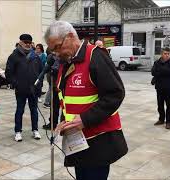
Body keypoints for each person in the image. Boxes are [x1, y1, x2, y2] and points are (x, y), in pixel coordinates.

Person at [45, 21, 128, 180]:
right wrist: (64, 122)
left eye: (57, 47)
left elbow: (115, 94)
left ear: (70, 37)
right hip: (77, 140)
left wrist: (84, 119)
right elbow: (67, 99)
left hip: (99, 141)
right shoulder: (66, 62)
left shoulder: (96, 56)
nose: (55, 53)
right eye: (52, 49)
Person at [5, 34, 43, 142]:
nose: (27, 44)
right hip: (21, 89)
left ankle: (35, 130)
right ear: (20, 42)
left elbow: (40, 73)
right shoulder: (14, 56)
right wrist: (16, 83)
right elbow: (9, 73)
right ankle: (18, 131)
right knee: (20, 110)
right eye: (25, 42)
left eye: (29, 42)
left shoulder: (35, 56)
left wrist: (38, 87)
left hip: (33, 89)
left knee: (34, 110)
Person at [151, 47, 170, 129]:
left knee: (169, 106)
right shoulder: (156, 62)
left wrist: (160, 71)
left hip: (169, 88)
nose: (167, 55)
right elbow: (153, 72)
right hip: (159, 87)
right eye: (165, 54)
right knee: (160, 105)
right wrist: (164, 71)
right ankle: (161, 119)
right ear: (161, 54)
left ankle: (168, 122)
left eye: (168, 54)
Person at [42, 53, 60, 130]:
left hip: (57, 86)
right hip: (53, 84)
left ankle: (53, 123)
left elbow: (57, 69)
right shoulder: (51, 57)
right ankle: (52, 122)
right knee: (53, 105)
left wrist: (53, 68)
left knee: (55, 105)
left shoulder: (59, 58)